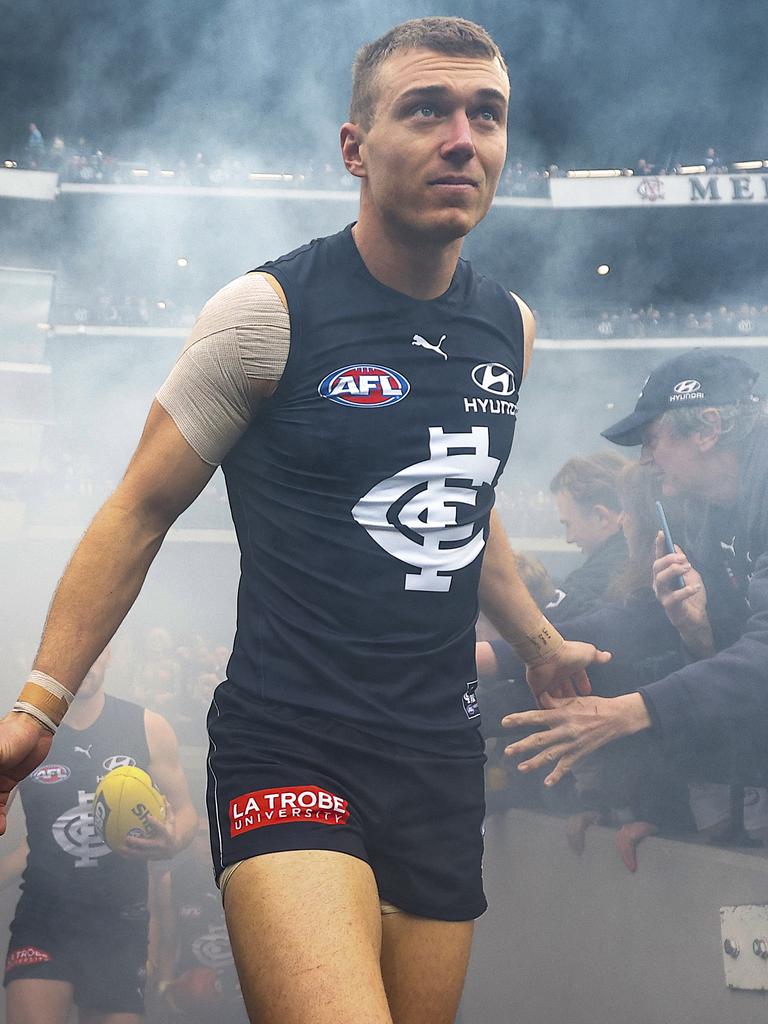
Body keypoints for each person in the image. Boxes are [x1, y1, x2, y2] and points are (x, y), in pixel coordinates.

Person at [0, 18, 609, 1024]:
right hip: (293, 746)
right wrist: (38, 707)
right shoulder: (264, 313)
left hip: (439, 761)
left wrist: (538, 639)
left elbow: (462, 500)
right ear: (354, 147)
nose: (464, 138)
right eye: (426, 109)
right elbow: (138, 511)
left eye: (486, 115)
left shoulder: (511, 326)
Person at [501, 349, 768, 793]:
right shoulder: (713, 510)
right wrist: (516, 651)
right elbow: (642, 615)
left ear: (708, 429)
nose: (644, 459)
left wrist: (628, 712)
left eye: (652, 439)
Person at [0, 648, 197, 1024]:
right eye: (75, 655)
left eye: (94, 653)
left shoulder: (146, 725)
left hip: (120, 918)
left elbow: (185, 810)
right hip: (45, 914)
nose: (84, 663)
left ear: (109, 654)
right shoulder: (24, 730)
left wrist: (174, 839)